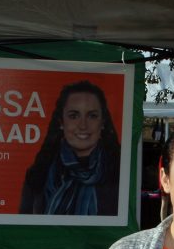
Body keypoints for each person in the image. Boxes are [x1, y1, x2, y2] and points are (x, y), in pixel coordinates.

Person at [20, 80, 121, 215]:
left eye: (92, 116)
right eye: (73, 116)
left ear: (103, 123)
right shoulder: (39, 174)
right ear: (61, 122)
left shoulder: (118, 173)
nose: (83, 125)